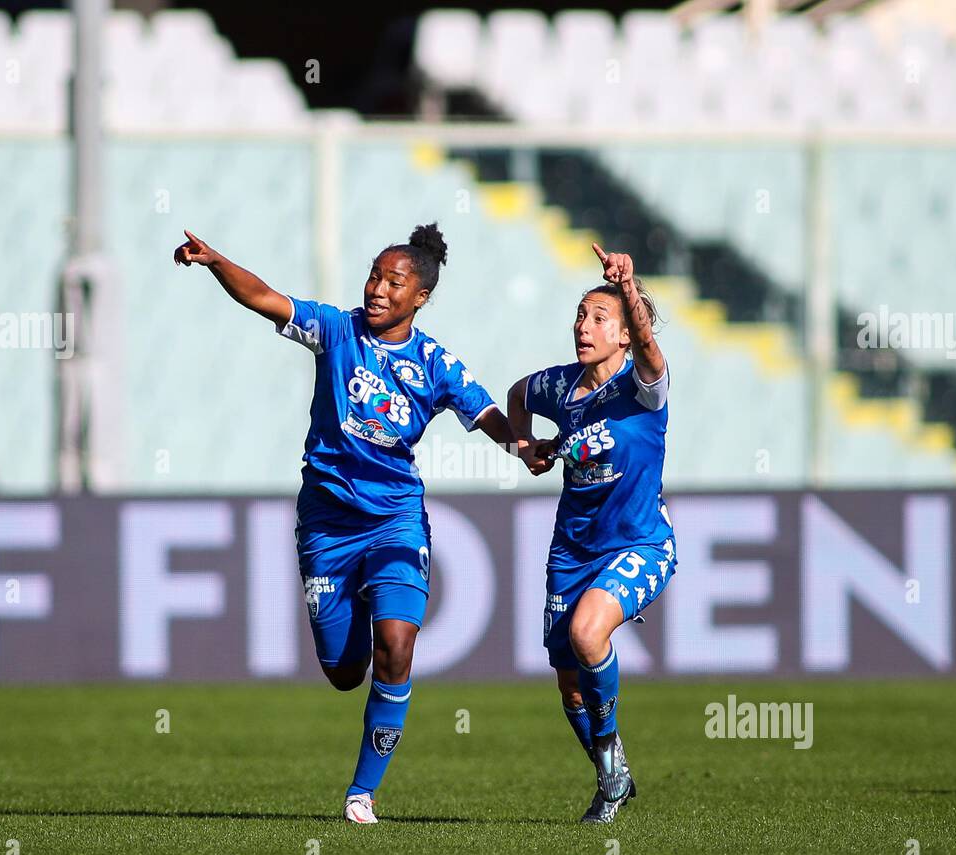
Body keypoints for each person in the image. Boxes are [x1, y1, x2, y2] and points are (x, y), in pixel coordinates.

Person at [175, 222, 520, 823]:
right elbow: (263, 297)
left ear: (421, 297)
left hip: (394, 521)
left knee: (397, 645)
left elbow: (484, 409)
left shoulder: (435, 363)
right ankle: (358, 609)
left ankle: (362, 793)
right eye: (374, 275)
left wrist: (520, 445)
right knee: (343, 671)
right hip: (328, 525)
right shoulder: (337, 331)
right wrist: (215, 261)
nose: (379, 289)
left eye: (395, 281)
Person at [507, 242, 675, 823]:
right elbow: (518, 396)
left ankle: (608, 772)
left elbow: (653, 349)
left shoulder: (643, 388)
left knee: (586, 633)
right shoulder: (561, 387)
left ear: (625, 335)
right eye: (581, 314)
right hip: (572, 550)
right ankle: (615, 775)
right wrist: (524, 446)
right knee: (571, 688)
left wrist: (628, 289)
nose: (585, 325)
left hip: (640, 544)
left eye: (600, 318)